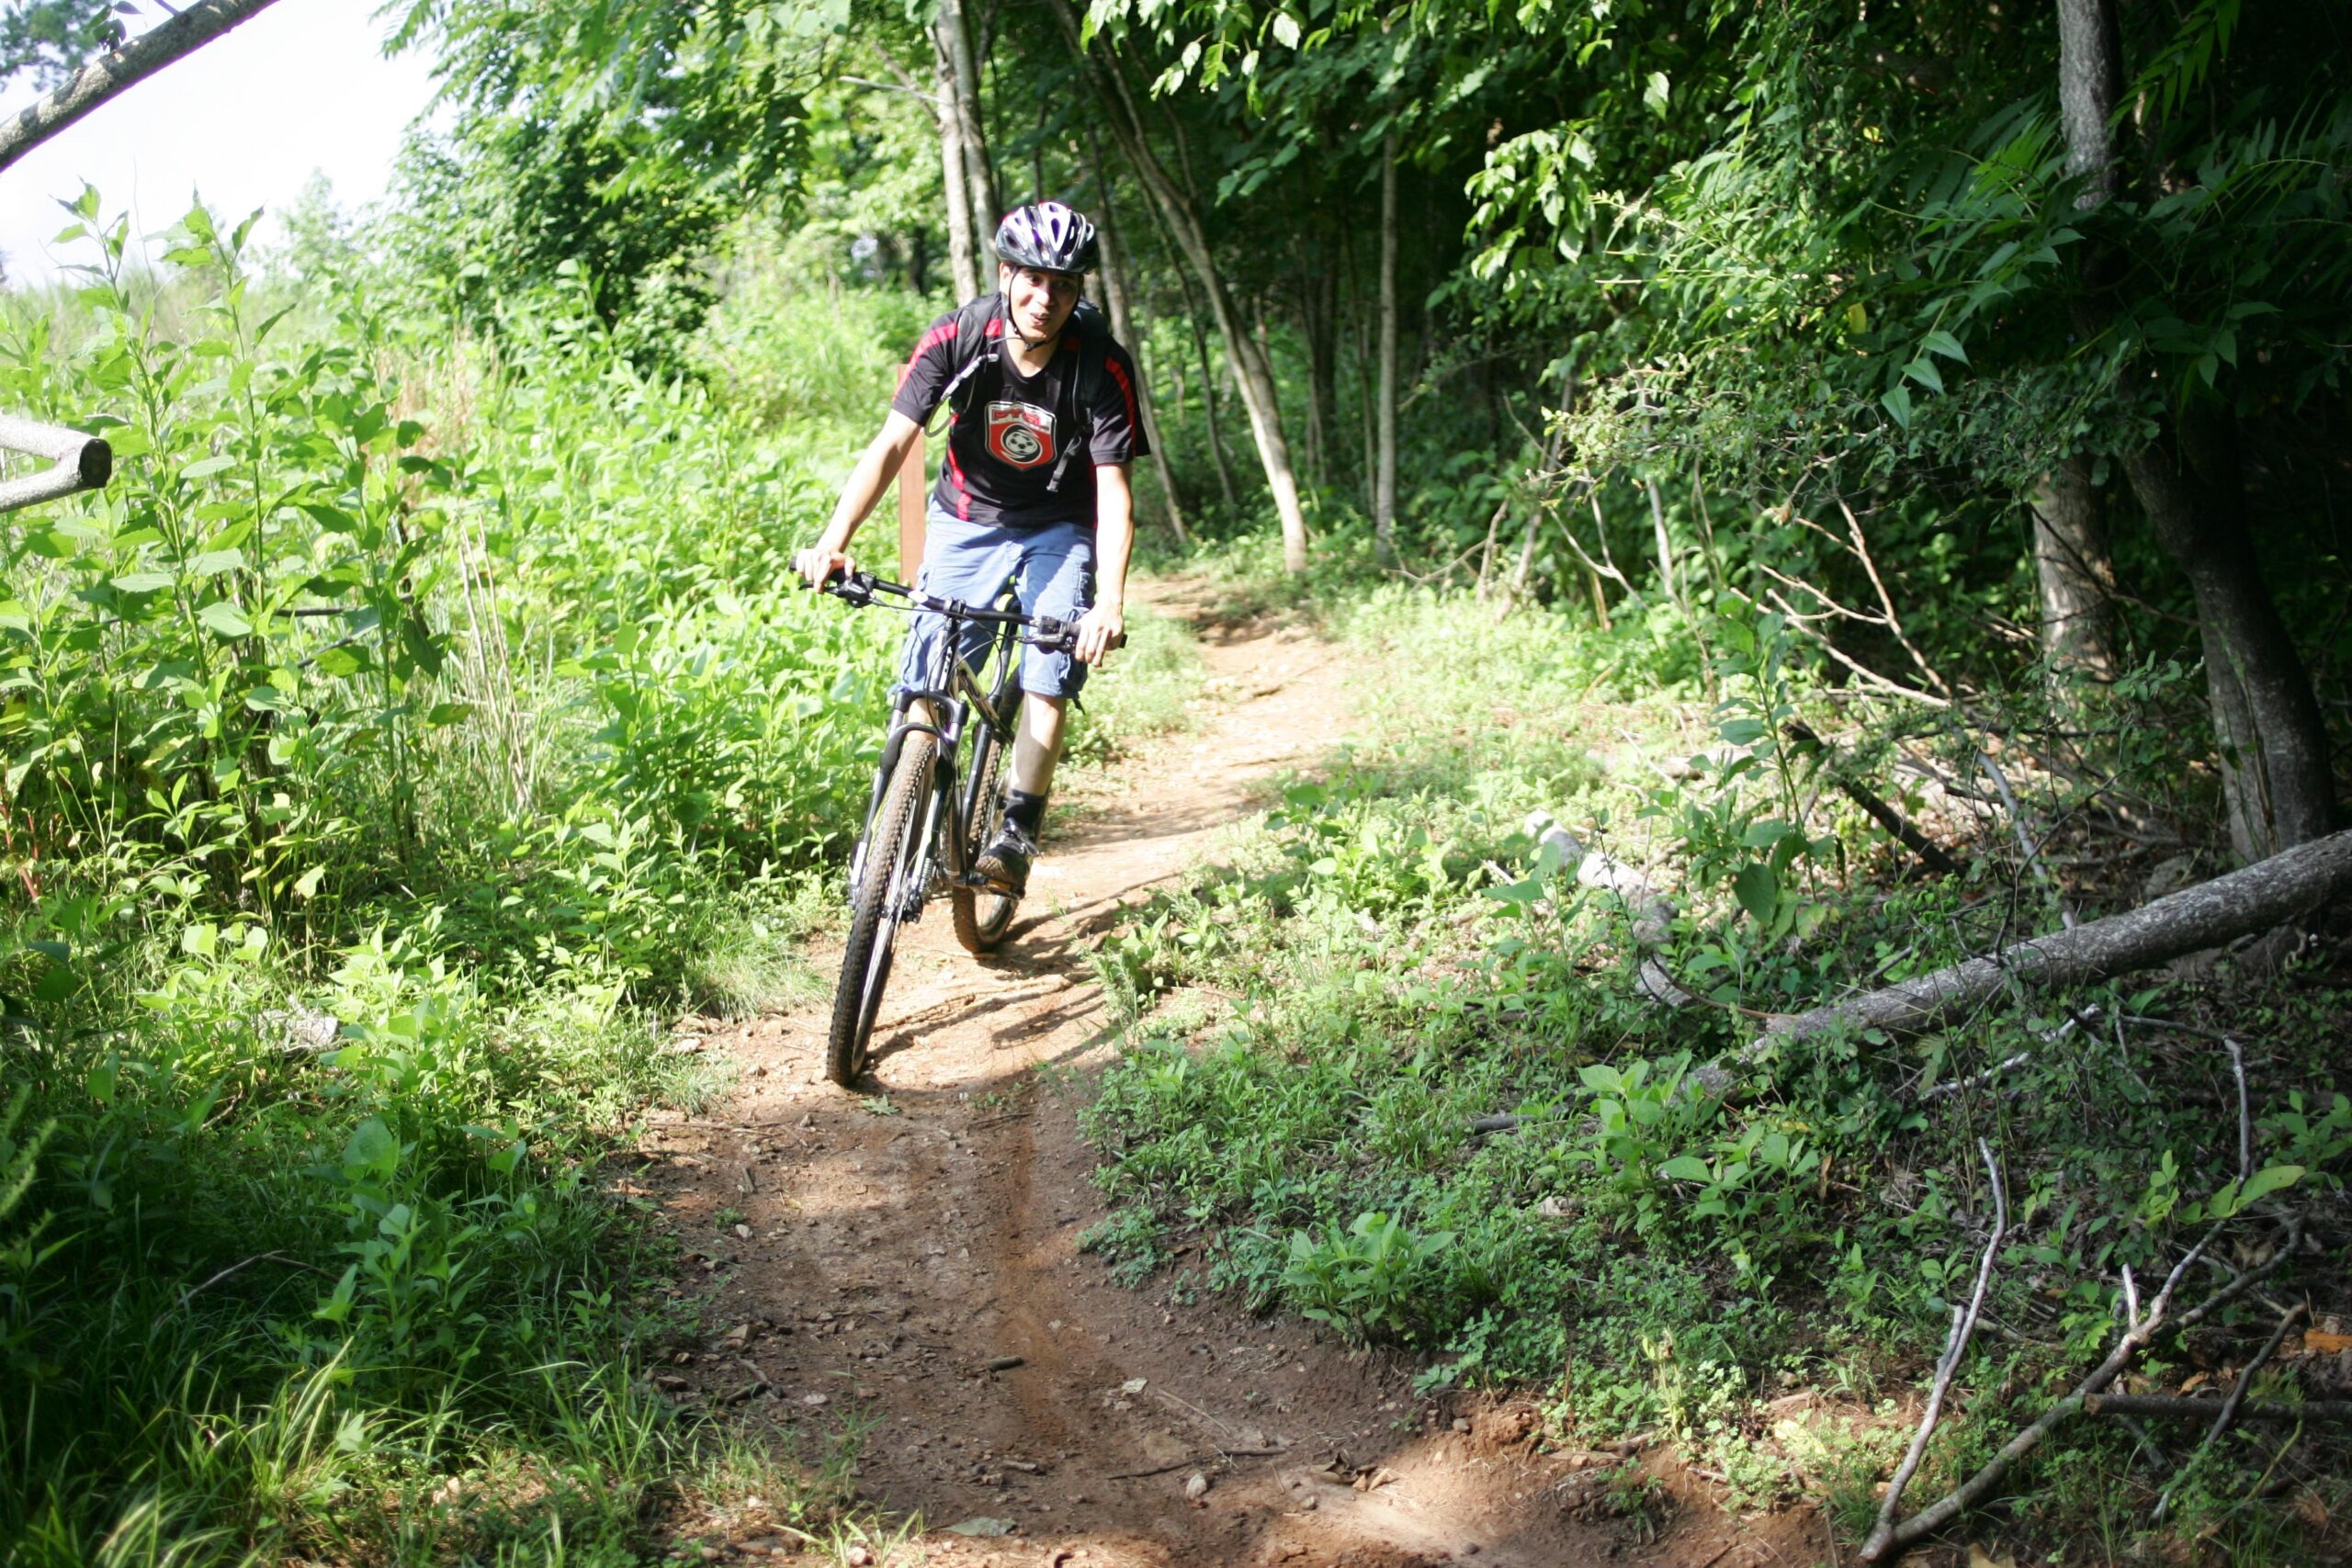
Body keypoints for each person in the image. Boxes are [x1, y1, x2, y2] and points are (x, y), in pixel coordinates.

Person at [794, 201, 1145, 897]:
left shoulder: (1101, 366)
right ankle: (898, 827)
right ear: (1007, 272)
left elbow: (1113, 491)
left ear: (1079, 294)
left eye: (1065, 285)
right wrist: (833, 543)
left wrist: (1108, 600)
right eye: (1034, 278)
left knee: (1049, 664)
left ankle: (1017, 827)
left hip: (1061, 524)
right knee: (927, 676)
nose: (1046, 298)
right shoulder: (959, 335)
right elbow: (894, 443)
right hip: (964, 516)